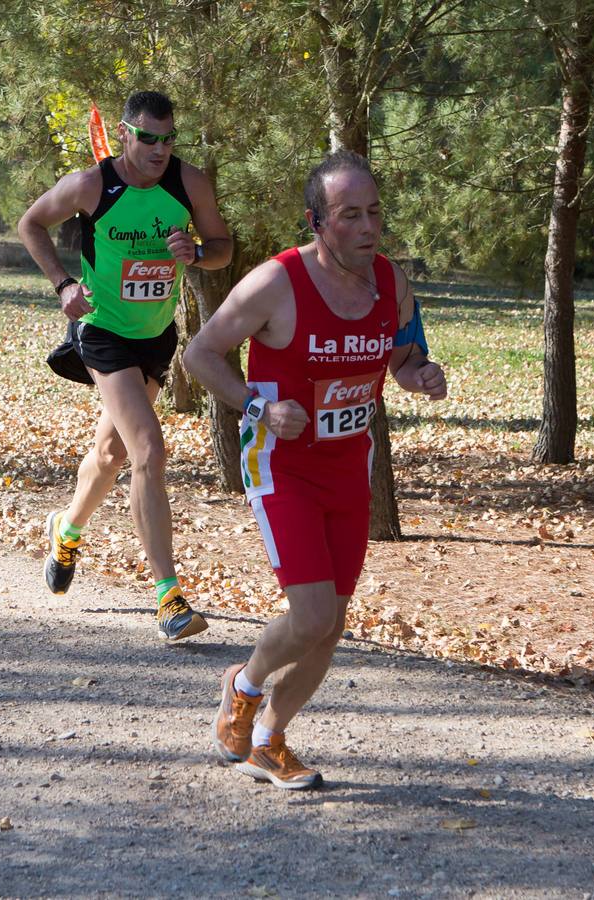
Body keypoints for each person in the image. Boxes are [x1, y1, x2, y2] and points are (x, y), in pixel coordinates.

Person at [184, 150, 448, 789]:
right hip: (282, 467)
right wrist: (259, 404)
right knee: (308, 617)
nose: (368, 227)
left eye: (375, 212)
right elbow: (200, 354)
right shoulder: (275, 284)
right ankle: (242, 688)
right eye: (350, 215)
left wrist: (421, 376)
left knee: (332, 626)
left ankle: (271, 737)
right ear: (318, 223)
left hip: (347, 468)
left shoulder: (391, 282)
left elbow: (404, 356)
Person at [16, 90, 234, 642]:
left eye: (168, 138)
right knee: (149, 450)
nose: (160, 149)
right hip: (103, 331)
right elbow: (31, 224)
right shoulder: (93, 185)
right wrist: (63, 284)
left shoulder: (190, 184)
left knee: (113, 452)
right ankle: (168, 597)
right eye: (149, 138)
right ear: (125, 135)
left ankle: (66, 529)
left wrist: (198, 254)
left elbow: (223, 247)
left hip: (155, 336)